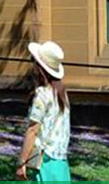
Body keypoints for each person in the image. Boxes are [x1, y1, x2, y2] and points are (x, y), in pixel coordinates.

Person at [15, 40, 71, 182]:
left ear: (39, 67)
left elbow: (33, 130)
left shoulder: (42, 94)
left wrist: (22, 162)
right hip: (61, 162)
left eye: (34, 61)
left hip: (43, 163)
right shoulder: (62, 94)